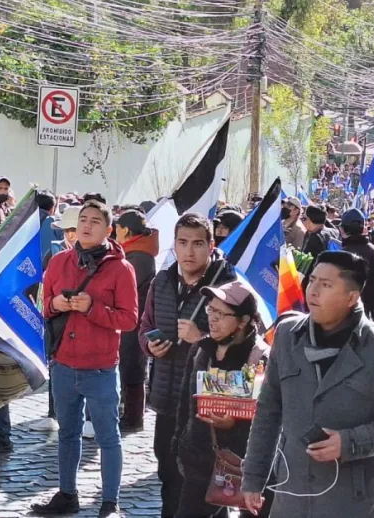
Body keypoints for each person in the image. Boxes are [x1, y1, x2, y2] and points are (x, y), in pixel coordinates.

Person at [241, 251, 374, 517]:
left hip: (349, 499)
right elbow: (268, 411)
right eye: (312, 280)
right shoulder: (288, 335)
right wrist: (254, 478)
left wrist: (348, 443)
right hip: (291, 492)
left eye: (325, 285)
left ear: (351, 297)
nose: (312, 291)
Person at [32, 200, 139, 518]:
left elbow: (129, 319)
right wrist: (56, 306)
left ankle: (110, 502)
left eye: (95, 221)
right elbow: (43, 305)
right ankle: (67, 494)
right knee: (67, 433)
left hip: (101, 367)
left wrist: (92, 308)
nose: (87, 225)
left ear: (108, 230)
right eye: (82, 220)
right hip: (64, 363)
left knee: (108, 437)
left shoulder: (122, 268)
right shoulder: (58, 262)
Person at [138, 213, 236, 518]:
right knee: (169, 475)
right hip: (168, 399)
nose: (189, 251)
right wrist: (149, 345)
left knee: (208, 484)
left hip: (208, 405)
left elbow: (242, 344)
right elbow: (145, 325)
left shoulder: (227, 286)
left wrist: (202, 338)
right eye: (182, 243)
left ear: (210, 245)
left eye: (197, 244)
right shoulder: (162, 281)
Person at [172, 282, 270, 517]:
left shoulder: (260, 357)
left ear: (244, 320)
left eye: (221, 314)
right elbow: (186, 403)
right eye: (210, 310)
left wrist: (233, 425)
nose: (212, 319)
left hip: (245, 462)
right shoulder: (200, 350)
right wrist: (179, 443)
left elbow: (269, 419)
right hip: (200, 457)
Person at [115, 209, 159, 433]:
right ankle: (129, 414)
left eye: (118, 229)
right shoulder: (135, 251)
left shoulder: (139, 255)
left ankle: (133, 417)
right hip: (131, 318)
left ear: (126, 230)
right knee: (129, 366)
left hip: (135, 319)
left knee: (133, 368)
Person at [340, 209, 374, 322]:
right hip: (370, 319)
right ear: (363, 229)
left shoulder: (342, 256)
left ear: (342, 230)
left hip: (345, 316)